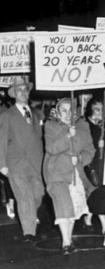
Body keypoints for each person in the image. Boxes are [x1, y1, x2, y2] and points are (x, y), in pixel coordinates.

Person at [43, 98, 95, 255]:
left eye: (70, 110)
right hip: (56, 172)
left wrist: (80, 159)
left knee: (72, 206)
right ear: (57, 112)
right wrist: (67, 137)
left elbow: (89, 150)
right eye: (63, 110)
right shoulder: (50, 126)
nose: (67, 114)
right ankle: (66, 242)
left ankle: (68, 239)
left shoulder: (83, 126)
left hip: (75, 173)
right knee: (63, 204)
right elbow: (51, 148)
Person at [0, 75, 44, 242]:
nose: (23, 93)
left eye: (25, 90)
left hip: (36, 163)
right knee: (24, 196)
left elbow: (40, 139)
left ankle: (30, 215)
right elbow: (1, 140)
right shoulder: (7, 115)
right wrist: (2, 164)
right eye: (19, 90)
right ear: (14, 94)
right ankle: (29, 232)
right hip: (16, 163)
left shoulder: (37, 114)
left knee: (38, 194)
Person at [84, 96, 105, 234]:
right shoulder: (85, 126)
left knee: (103, 192)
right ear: (90, 110)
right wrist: (97, 146)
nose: (99, 113)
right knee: (98, 192)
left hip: (103, 163)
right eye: (96, 109)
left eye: (102, 110)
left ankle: (89, 215)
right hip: (91, 164)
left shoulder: (103, 126)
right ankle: (104, 225)